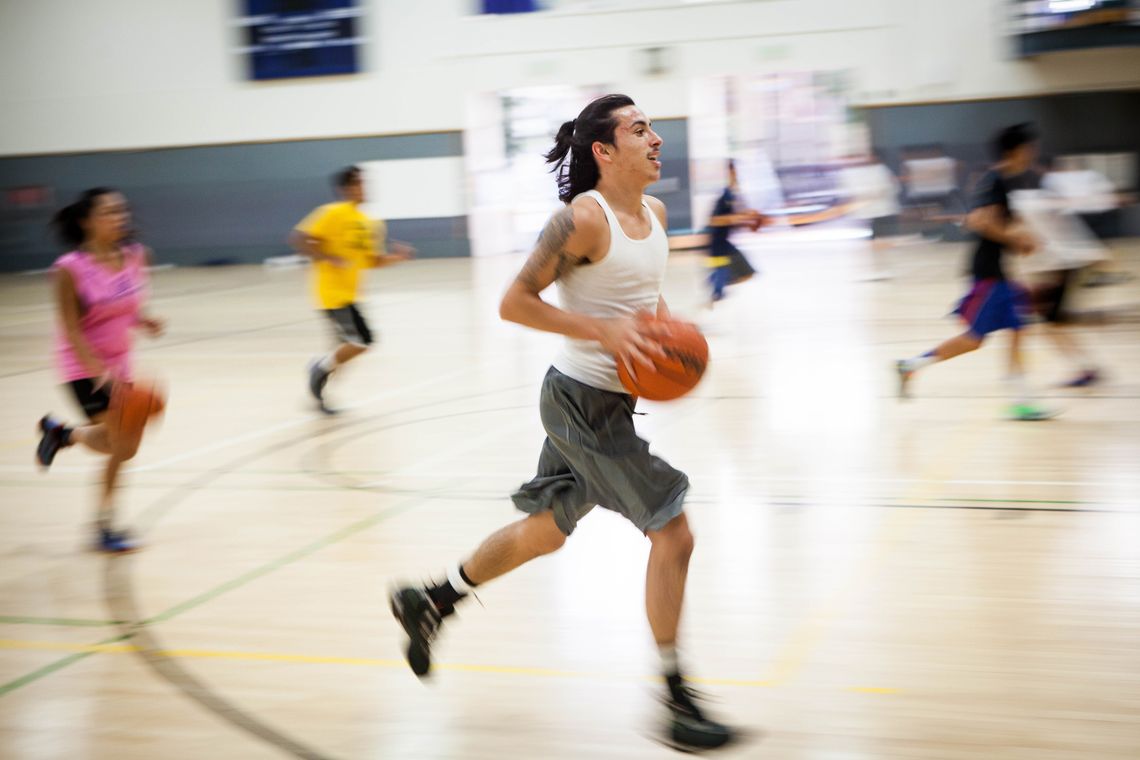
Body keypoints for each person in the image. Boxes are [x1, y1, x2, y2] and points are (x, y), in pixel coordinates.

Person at [389, 94, 738, 752]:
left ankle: (434, 598)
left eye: (653, 127)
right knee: (675, 533)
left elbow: (644, 301)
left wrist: (669, 346)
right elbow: (513, 302)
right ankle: (675, 699)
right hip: (581, 403)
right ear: (605, 152)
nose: (656, 138)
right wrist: (600, 330)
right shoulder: (583, 218)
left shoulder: (655, 214)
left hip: (610, 403)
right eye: (640, 130)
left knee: (546, 532)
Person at [35, 188, 166, 552]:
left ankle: (64, 434)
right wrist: (96, 372)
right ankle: (104, 526)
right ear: (86, 220)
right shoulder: (69, 269)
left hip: (121, 363)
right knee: (120, 445)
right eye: (109, 212)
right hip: (81, 366)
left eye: (122, 211)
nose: (119, 217)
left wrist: (145, 320)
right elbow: (71, 329)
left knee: (122, 447)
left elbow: (127, 306)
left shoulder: (136, 256)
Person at [895, 123, 1056, 420]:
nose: (1033, 153)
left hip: (999, 274)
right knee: (974, 339)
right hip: (989, 274)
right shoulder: (994, 180)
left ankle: (1020, 397)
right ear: (1016, 150)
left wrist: (1024, 238)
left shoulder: (1002, 182)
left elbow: (998, 221)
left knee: (1019, 328)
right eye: (1029, 148)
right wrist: (1015, 238)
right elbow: (979, 220)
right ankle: (911, 366)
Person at [289, 166, 414, 413]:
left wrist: (396, 258)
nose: (363, 187)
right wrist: (327, 256)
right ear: (345, 188)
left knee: (343, 353)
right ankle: (318, 370)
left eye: (364, 182)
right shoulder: (332, 213)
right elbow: (300, 238)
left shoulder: (371, 223)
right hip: (332, 294)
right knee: (362, 340)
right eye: (357, 183)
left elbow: (371, 260)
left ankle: (319, 389)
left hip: (351, 294)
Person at [706, 160, 764, 304]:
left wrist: (748, 219)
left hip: (724, 244)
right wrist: (743, 217)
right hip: (718, 245)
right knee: (738, 273)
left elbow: (735, 217)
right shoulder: (725, 198)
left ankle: (716, 282)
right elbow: (715, 220)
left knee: (745, 273)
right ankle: (715, 283)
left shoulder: (731, 197)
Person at [838, 152, 902, 280]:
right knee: (874, 242)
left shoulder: (878, 170)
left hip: (876, 211)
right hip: (867, 213)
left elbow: (890, 188)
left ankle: (880, 268)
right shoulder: (874, 171)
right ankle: (876, 269)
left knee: (877, 241)